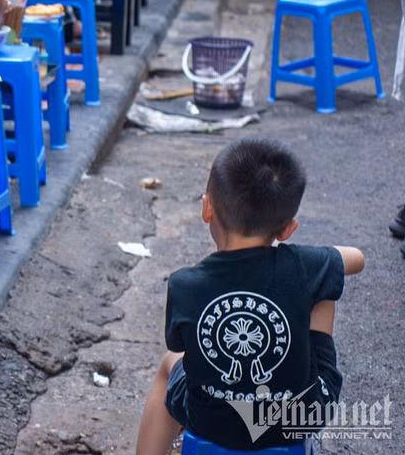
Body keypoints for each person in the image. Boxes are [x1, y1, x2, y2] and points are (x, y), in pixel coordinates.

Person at [135, 138, 364, 454]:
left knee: (168, 366)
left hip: (209, 423)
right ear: (287, 229)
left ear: (206, 208)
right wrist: (309, 257)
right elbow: (356, 258)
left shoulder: (184, 284)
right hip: (298, 417)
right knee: (323, 286)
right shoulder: (303, 265)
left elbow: (182, 349)